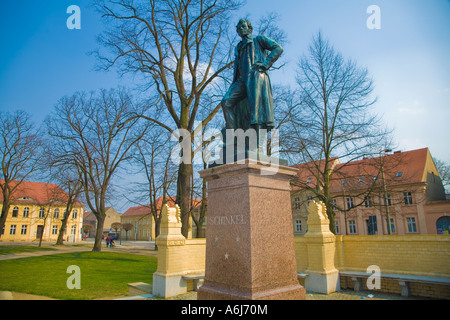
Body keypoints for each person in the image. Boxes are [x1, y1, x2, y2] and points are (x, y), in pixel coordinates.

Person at [221, 18, 283, 137]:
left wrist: (266, 64)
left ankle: (257, 142)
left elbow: (278, 48)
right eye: (238, 28)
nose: (240, 29)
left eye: (243, 27)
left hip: (255, 78)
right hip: (241, 80)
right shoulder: (238, 47)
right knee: (226, 102)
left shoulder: (258, 39)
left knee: (256, 110)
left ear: (249, 29)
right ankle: (233, 137)